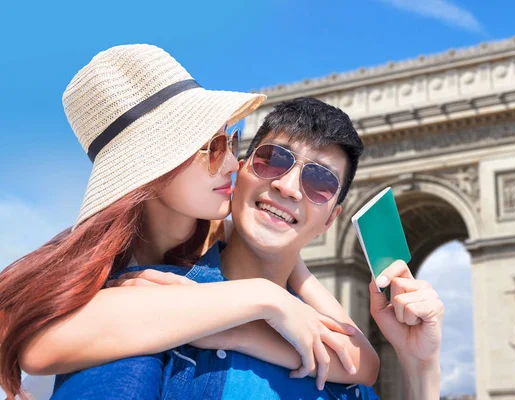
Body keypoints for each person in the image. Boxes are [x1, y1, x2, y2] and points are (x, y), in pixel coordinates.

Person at [0, 45, 372, 399]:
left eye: (232, 143)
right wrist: (267, 298)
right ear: (154, 166)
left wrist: (275, 301)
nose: (232, 165)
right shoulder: (116, 278)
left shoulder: (220, 234)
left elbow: (362, 360)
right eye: (212, 149)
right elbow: (39, 347)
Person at [62, 97, 443, 399]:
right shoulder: (152, 296)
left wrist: (419, 362)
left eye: (320, 182)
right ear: (238, 173)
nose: (289, 187)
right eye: (274, 160)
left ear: (331, 218)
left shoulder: (342, 360)